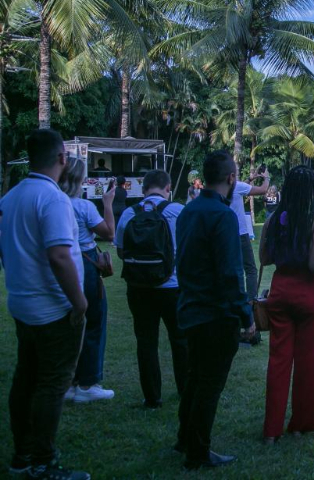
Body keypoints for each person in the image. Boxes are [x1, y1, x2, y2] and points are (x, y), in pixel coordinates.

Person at [0, 129, 90, 479]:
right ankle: (42, 462)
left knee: (26, 379)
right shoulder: (52, 199)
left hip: (23, 306)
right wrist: (79, 303)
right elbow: (59, 255)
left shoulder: (11, 197)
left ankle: (22, 455)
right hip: (54, 311)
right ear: (62, 159)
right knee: (52, 385)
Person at [175, 150, 254, 469]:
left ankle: (185, 439)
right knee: (209, 384)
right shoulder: (223, 216)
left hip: (190, 308)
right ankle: (198, 451)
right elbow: (230, 273)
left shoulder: (187, 211)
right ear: (231, 179)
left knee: (195, 379)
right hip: (216, 314)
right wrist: (245, 315)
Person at [260, 165, 314, 443]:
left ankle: (271, 430)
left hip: (281, 292)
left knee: (278, 362)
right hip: (309, 295)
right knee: (309, 362)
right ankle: (301, 424)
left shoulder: (272, 221)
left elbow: (265, 259)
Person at [115, 170, 188, 409]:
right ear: (167, 188)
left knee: (146, 341)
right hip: (172, 287)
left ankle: (152, 396)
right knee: (180, 340)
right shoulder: (177, 211)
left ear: (144, 189)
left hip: (138, 287)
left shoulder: (129, 213)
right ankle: (184, 389)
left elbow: (121, 251)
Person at [60, 157, 117, 403]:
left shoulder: (55, 203)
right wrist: (107, 203)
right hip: (85, 261)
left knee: (68, 323)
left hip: (60, 263)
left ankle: (69, 382)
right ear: (79, 179)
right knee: (94, 320)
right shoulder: (83, 207)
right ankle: (88, 383)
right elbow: (108, 233)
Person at [230, 169, 270, 303]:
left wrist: (250, 179)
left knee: (233, 269)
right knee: (251, 270)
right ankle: (251, 303)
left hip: (226, 235)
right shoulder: (237, 186)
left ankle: (234, 300)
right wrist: (266, 178)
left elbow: (243, 186)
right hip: (241, 234)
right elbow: (263, 190)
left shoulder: (222, 187)